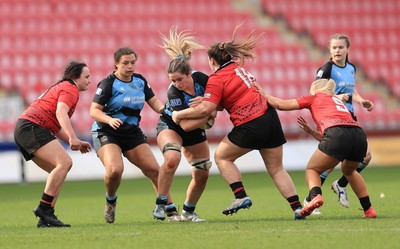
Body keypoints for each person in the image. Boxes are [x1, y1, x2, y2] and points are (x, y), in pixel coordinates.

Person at [172, 26, 304, 220]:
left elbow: (207, 109)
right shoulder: (240, 69)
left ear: (213, 60)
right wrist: (210, 102)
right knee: (276, 169)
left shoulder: (217, 78)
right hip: (270, 118)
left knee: (222, 157)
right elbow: (222, 102)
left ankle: (240, 195)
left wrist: (179, 114)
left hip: (250, 123)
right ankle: (298, 208)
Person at [256, 78, 377, 219]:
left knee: (312, 169)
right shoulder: (337, 101)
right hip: (358, 135)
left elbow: (281, 105)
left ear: (315, 89)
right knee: (349, 171)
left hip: (337, 134)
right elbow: (336, 139)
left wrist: (263, 95)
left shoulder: (314, 97)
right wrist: (313, 132)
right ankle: (369, 209)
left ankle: (315, 196)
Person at [90, 47, 175, 223]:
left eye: (133, 63)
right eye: (125, 63)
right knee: (115, 170)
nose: (130, 66)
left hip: (131, 133)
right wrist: (108, 120)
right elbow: (94, 111)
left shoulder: (140, 81)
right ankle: (111, 201)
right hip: (106, 131)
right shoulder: (107, 84)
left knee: (154, 170)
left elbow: (154, 102)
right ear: (116, 64)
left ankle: (171, 210)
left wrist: (166, 110)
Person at [14, 61, 92, 228]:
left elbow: (55, 126)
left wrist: (75, 138)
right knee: (65, 162)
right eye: (86, 76)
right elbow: (60, 112)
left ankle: (46, 217)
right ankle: (43, 208)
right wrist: (72, 138)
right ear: (75, 78)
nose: (89, 80)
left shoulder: (62, 87)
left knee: (56, 171)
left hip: (25, 128)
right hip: (31, 127)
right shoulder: (70, 88)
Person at [302, 34, 374, 214]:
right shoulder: (327, 68)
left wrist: (360, 100)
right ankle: (311, 198)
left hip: (348, 117)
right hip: (331, 117)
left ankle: (340, 185)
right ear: (330, 50)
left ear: (347, 49)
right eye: (334, 48)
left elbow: (351, 89)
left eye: (340, 47)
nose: (337, 51)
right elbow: (315, 91)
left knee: (365, 157)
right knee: (329, 161)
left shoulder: (351, 68)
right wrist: (335, 97)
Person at [152, 27, 215, 222]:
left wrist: (207, 111)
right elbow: (185, 126)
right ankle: (161, 203)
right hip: (171, 127)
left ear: (189, 74)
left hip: (194, 127)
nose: (176, 84)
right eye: (172, 80)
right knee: (171, 159)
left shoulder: (203, 79)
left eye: (179, 79)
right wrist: (206, 114)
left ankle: (188, 211)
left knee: (202, 171)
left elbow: (216, 105)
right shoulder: (173, 93)